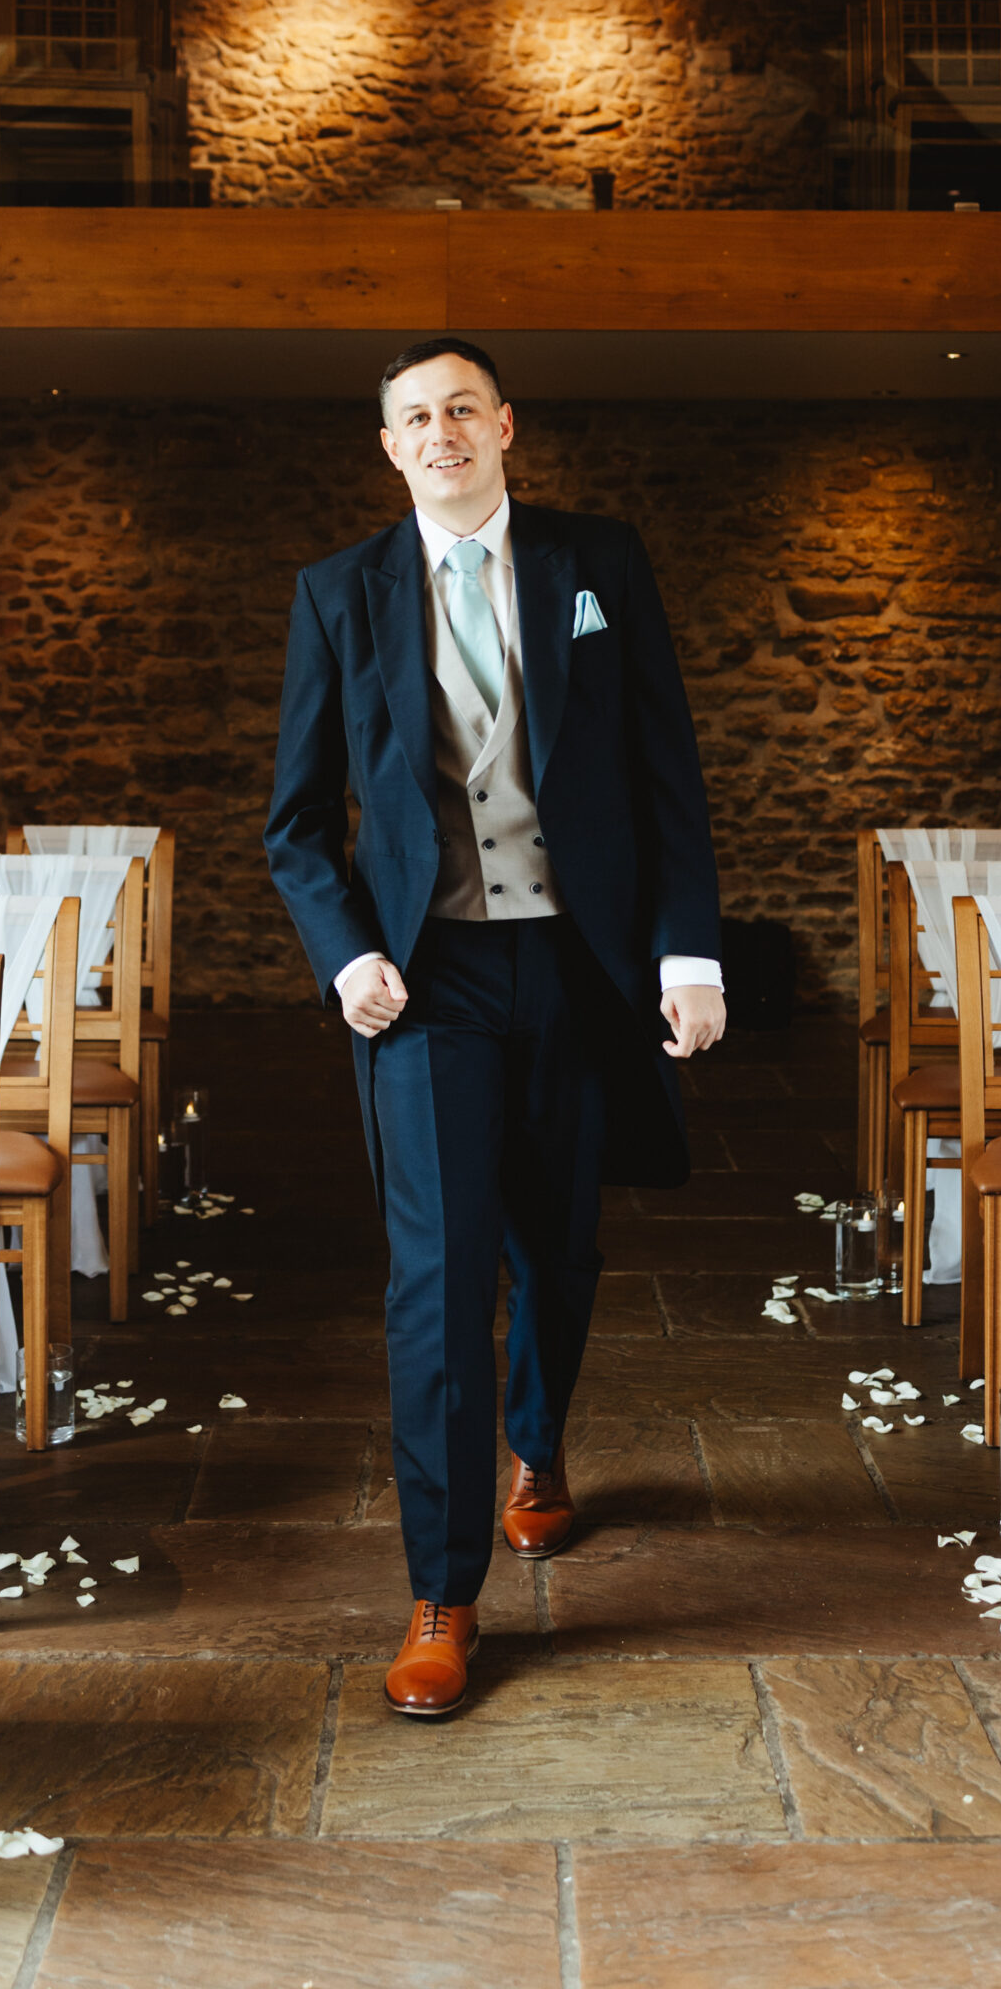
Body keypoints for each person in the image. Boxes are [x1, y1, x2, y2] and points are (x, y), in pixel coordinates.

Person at [265, 337, 724, 1717]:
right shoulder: (337, 593)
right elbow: (294, 828)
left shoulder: (601, 564)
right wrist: (347, 958)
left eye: (463, 406)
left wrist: (684, 955)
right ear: (391, 446)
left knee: (558, 1245)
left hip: (577, 971)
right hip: (428, 983)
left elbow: (667, 774)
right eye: (416, 415)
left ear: (507, 425)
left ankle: (540, 1442)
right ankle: (443, 1592)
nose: (442, 429)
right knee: (441, 1280)